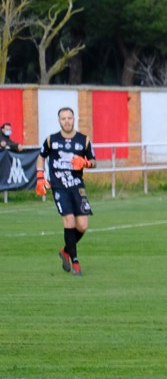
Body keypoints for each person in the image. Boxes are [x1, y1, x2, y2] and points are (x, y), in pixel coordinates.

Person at [36, 107, 96, 276]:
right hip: (59, 186)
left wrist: (86, 163)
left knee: (82, 226)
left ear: (74, 119)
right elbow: (41, 157)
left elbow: (94, 160)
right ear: (59, 120)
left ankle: (65, 251)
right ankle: (75, 263)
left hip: (77, 186)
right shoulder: (51, 140)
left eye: (69, 118)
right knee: (69, 221)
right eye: (63, 118)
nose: (67, 121)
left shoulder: (83, 140)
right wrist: (40, 176)